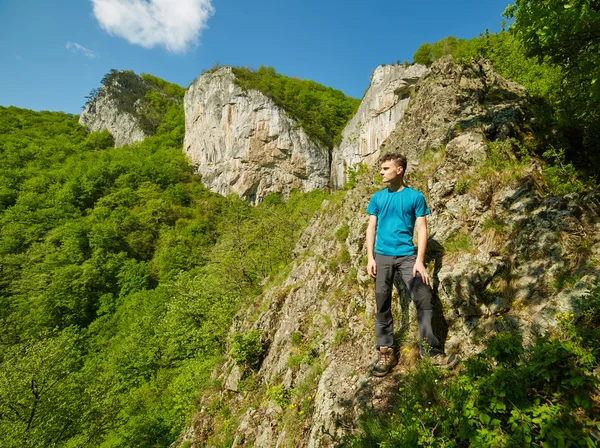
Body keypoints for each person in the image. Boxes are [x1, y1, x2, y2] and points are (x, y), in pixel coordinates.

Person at [366, 152, 457, 377]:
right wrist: (370, 257)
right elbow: (371, 228)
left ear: (400, 170)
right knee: (382, 300)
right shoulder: (377, 198)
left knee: (424, 297)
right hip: (382, 256)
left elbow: (422, 229)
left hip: (408, 256)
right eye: (381, 168)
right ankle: (386, 351)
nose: (381, 172)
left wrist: (420, 261)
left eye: (386, 168)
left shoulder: (415, 197)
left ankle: (430, 351)